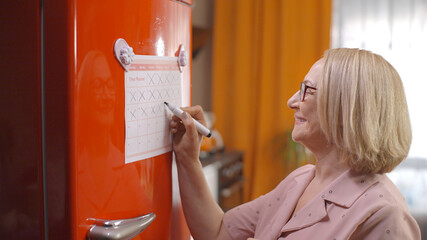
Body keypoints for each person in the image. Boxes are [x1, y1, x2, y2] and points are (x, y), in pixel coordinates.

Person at [169, 48, 422, 240]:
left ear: (347, 111)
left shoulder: (385, 214)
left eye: (307, 91)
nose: (291, 102)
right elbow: (218, 232)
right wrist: (188, 159)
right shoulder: (300, 180)